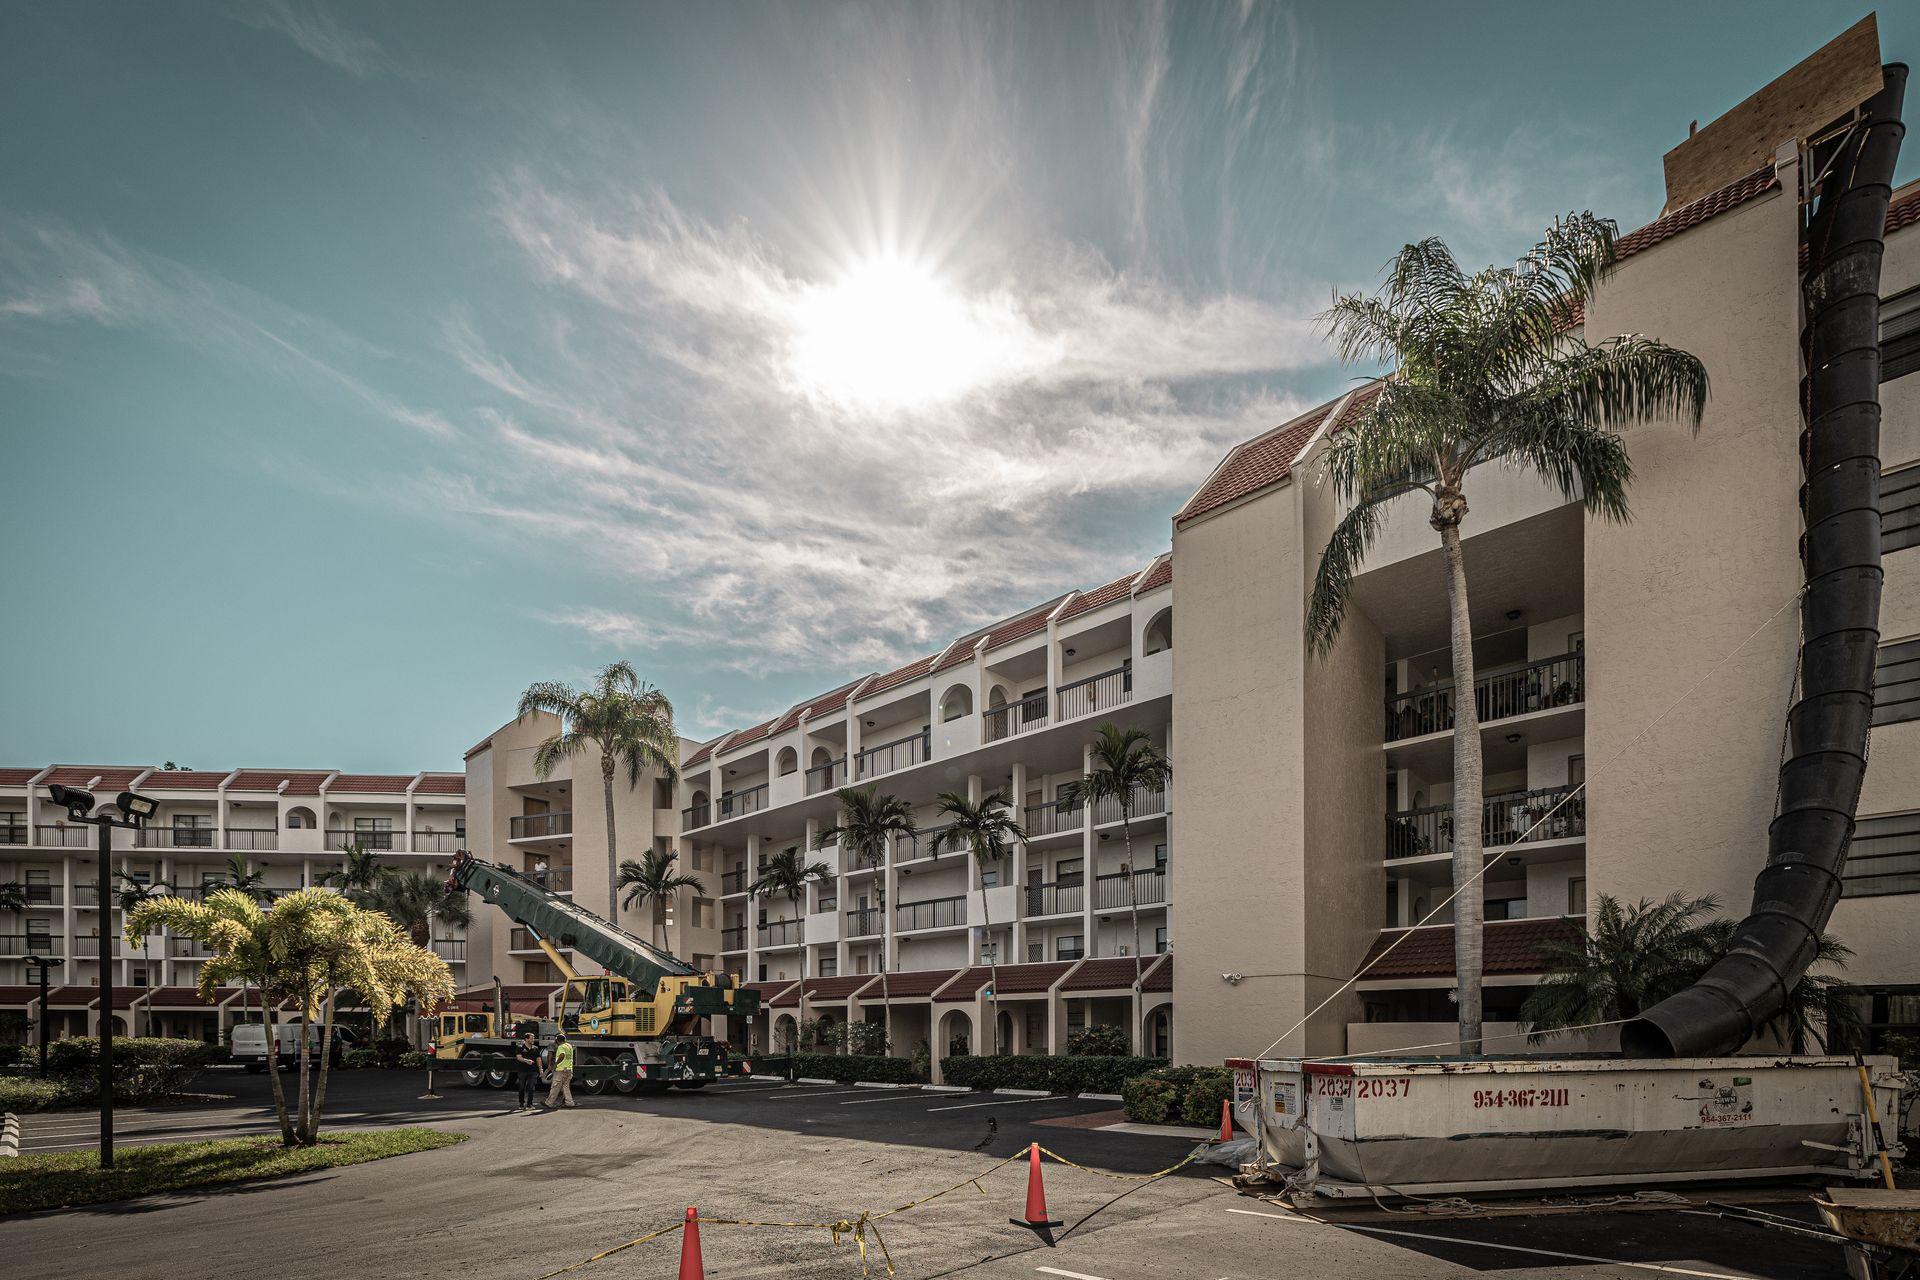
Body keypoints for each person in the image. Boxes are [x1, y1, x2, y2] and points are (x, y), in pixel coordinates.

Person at [543, 1032, 576, 1109]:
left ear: (557, 1041)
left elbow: (562, 1055)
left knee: (555, 1086)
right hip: (569, 1069)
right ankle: (569, 1102)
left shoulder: (561, 1047)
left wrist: (555, 1065)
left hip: (561, 1070)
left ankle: (549, 1102)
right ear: (565, 1039)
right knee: (565, 1086)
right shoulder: (569, 1046)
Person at [512, 1033, 540, 1111]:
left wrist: (540, 1069)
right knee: (522, 1088)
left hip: (533, 1071)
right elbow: (518, 1057)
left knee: (531, 1088)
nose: (533, 1040)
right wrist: (526, 1060)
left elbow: (538, 1059)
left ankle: (529, 1105)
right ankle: (521, 1104)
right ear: (526, 1039)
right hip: (522, 1071)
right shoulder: (520, 1047)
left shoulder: (535, 1048)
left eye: (533, 1038)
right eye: (531, 1038)